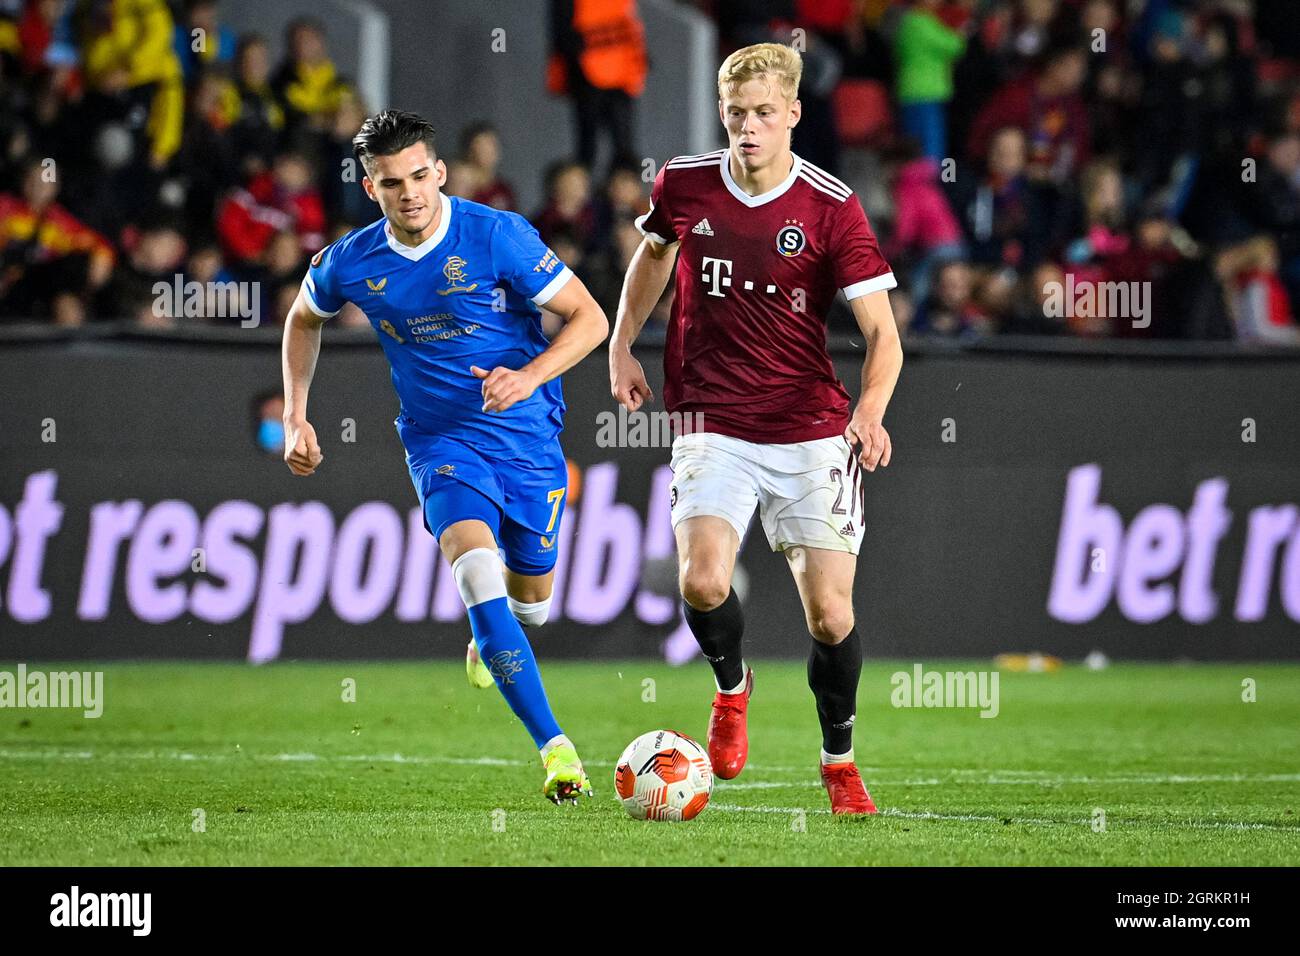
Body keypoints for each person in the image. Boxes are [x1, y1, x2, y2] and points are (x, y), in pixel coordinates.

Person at [608, 43, 903, 815]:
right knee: (702, 579)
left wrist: (868, 409)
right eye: (736, 113)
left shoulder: (830, 205)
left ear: (794, 115)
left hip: (810, 427)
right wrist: (620, 344)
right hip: (713, 418)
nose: (748, 127)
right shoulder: (684, 183)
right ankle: (732, 690)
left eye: (764, 114)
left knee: (831, 615)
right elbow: (653, 257)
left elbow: (883, 334)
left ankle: (838, 760)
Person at [281, 110, 609, 804]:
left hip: (525, 438)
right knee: (475, 572)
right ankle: (557, 751)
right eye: (390, 182)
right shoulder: (352, 261)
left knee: (533, 607)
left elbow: (591, 319)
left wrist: (529, 375)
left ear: (441, 173)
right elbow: (302, 318)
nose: (409, 194)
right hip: (440, 443)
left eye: (419, 176)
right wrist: (295, 412)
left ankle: (491, 640)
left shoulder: (498, 236)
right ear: (371, 188)